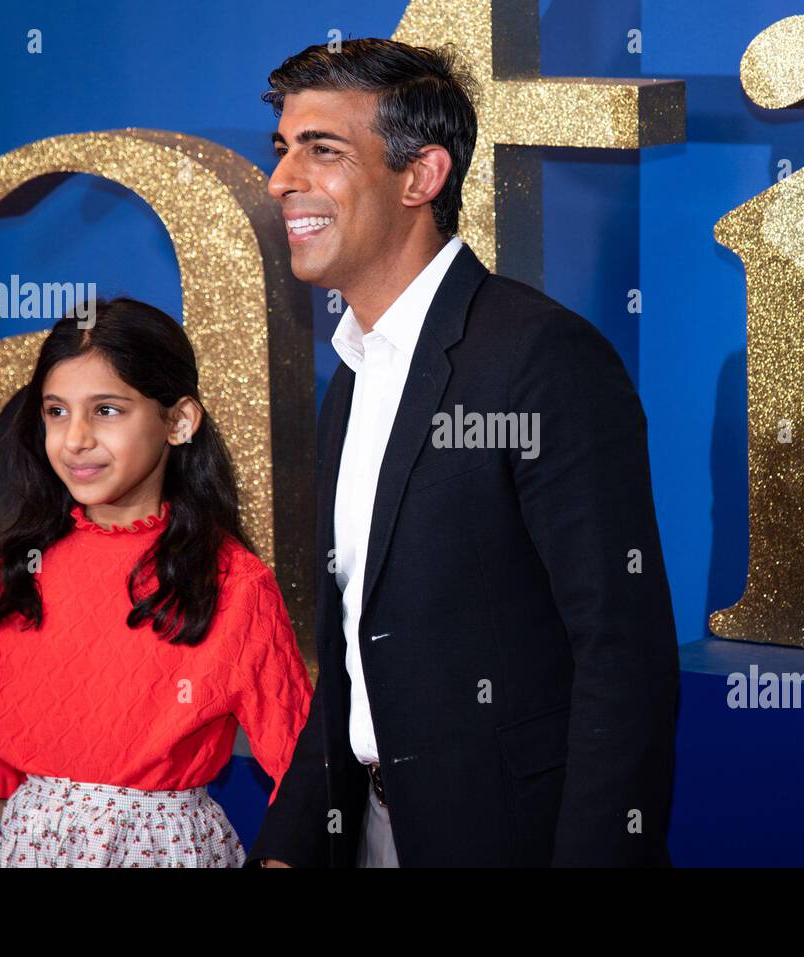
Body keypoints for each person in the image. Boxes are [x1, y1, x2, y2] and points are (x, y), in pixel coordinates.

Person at [247, 38, 679, 868]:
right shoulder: (349, 376)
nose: (280, 179)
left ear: (421, 177)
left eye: (321, 149)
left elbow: (621, 660)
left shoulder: (542, 356)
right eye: (282, 149)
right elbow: (352, 651)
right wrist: (288, 845)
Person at [0, 297, 312, 867]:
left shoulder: (234, 585)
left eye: (106, 411)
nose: (74, 439)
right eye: (55, 411)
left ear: (178, 421)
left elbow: (305, 781)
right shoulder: (13, 576)